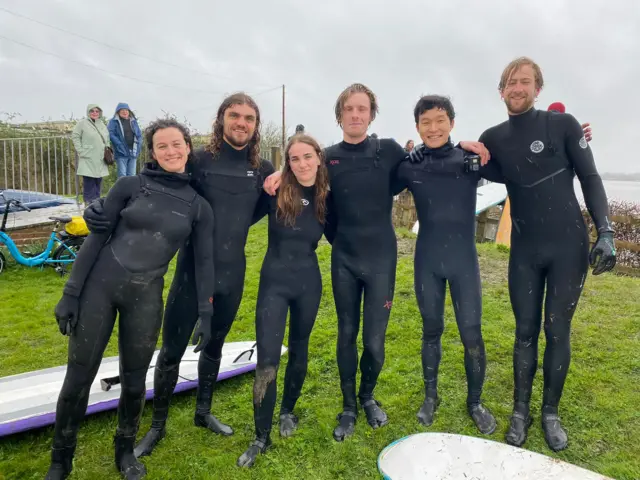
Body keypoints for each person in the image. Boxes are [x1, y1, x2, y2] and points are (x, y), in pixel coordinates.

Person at [263, 83, 489, 442]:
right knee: (347, 335)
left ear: (371, 114)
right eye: (349, 109)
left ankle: (368, 396)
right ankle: (349, 406)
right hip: (345, 259)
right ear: (339, 115)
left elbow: (430, 157)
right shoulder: (329, 157)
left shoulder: (390, 151)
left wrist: (462, 144)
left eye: (362, 109)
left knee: (374, 342)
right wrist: (278, 175)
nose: (355, 115)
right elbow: (301, 175)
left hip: (381, 259)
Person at [84, 92, 275, 457]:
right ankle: (157, 425)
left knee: (214, 347)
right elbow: (151, 186)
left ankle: (203, 412)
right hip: (191, 274)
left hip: (233, 274)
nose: (242, 123)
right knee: (170, 352)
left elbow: (263, 208)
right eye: (234, 115)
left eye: (249, 118)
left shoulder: (263, 169)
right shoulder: (199, 161)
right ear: (221, 119)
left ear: (256, 125)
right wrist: (99, 206)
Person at [45, 118, 215, 480]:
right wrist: (70, 293)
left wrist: (206, 311)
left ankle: (124, 452)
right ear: (151, 152)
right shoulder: (129, 185)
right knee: (78, 378)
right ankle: (61, 460)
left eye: (177, 144)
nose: (171, 151)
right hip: (99, 289)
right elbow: (94, 238)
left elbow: (204, 263)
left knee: (135, 381)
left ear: (188, 147)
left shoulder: (197, 207)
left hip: (146, 296)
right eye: (162, 146)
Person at [477, 57, 616, 451]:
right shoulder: (493, 137)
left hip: (567, 247)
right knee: (524, 332)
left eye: (525, 82)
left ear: (538, 89)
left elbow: (590, 177)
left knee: (557, 330)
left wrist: (605, 231)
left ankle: (549, 412)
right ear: (500, 90)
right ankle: (520, 412)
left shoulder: (564, 126)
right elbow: (466, 165)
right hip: (524, 249)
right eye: (510, 82)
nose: (517, 88)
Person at [396, 95, 499, 434]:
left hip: (463, 261)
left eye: (440, 120)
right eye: (426, 122)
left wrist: (573, 143)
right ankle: (430, 396)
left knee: (472, 333)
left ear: (452, 123)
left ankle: (475, 402)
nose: (434, 127)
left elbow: (518, 161)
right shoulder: (411, 165)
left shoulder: (469, 159)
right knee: (431, 330)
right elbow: (374, 179)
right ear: (417, 127)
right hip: (427, 259)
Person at [237, 133, 335, 468]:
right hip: (273, 285)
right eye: (294, 158)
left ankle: (288, 411)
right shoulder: (275, 190)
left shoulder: (327, 196)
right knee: (266, 360)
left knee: (300, 348)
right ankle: (260, 436)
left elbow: (344, 235)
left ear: (318, 157)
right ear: (287, 163)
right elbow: (238, 216)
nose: (302, 163)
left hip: (309, 283)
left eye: (308, 156)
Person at [71, 104, 110, 204]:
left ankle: (96, 202)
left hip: (100, 157)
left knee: (98, 180)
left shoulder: (101, 124)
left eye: (97, 111)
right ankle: (88, 203)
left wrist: (107, 149)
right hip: (88, 156)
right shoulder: (82, 124)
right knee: (89, 180)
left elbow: (107, 137)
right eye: (92, 111)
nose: (94, 113)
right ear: (88, 112)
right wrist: (80, 150)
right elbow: (75, 136)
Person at [108, 103, 143, 177]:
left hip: (133, 152)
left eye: (126, 110)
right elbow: (110, 134)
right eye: (122, 110)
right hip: (121, 152)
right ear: (118, 111)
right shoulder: (113, 121)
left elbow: (139, 134)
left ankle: (131, 189)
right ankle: (122, 189)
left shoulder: (133, 121)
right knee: (122, 175)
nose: (125, 112)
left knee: (132, 175)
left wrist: (139, 144)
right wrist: (119, 144)